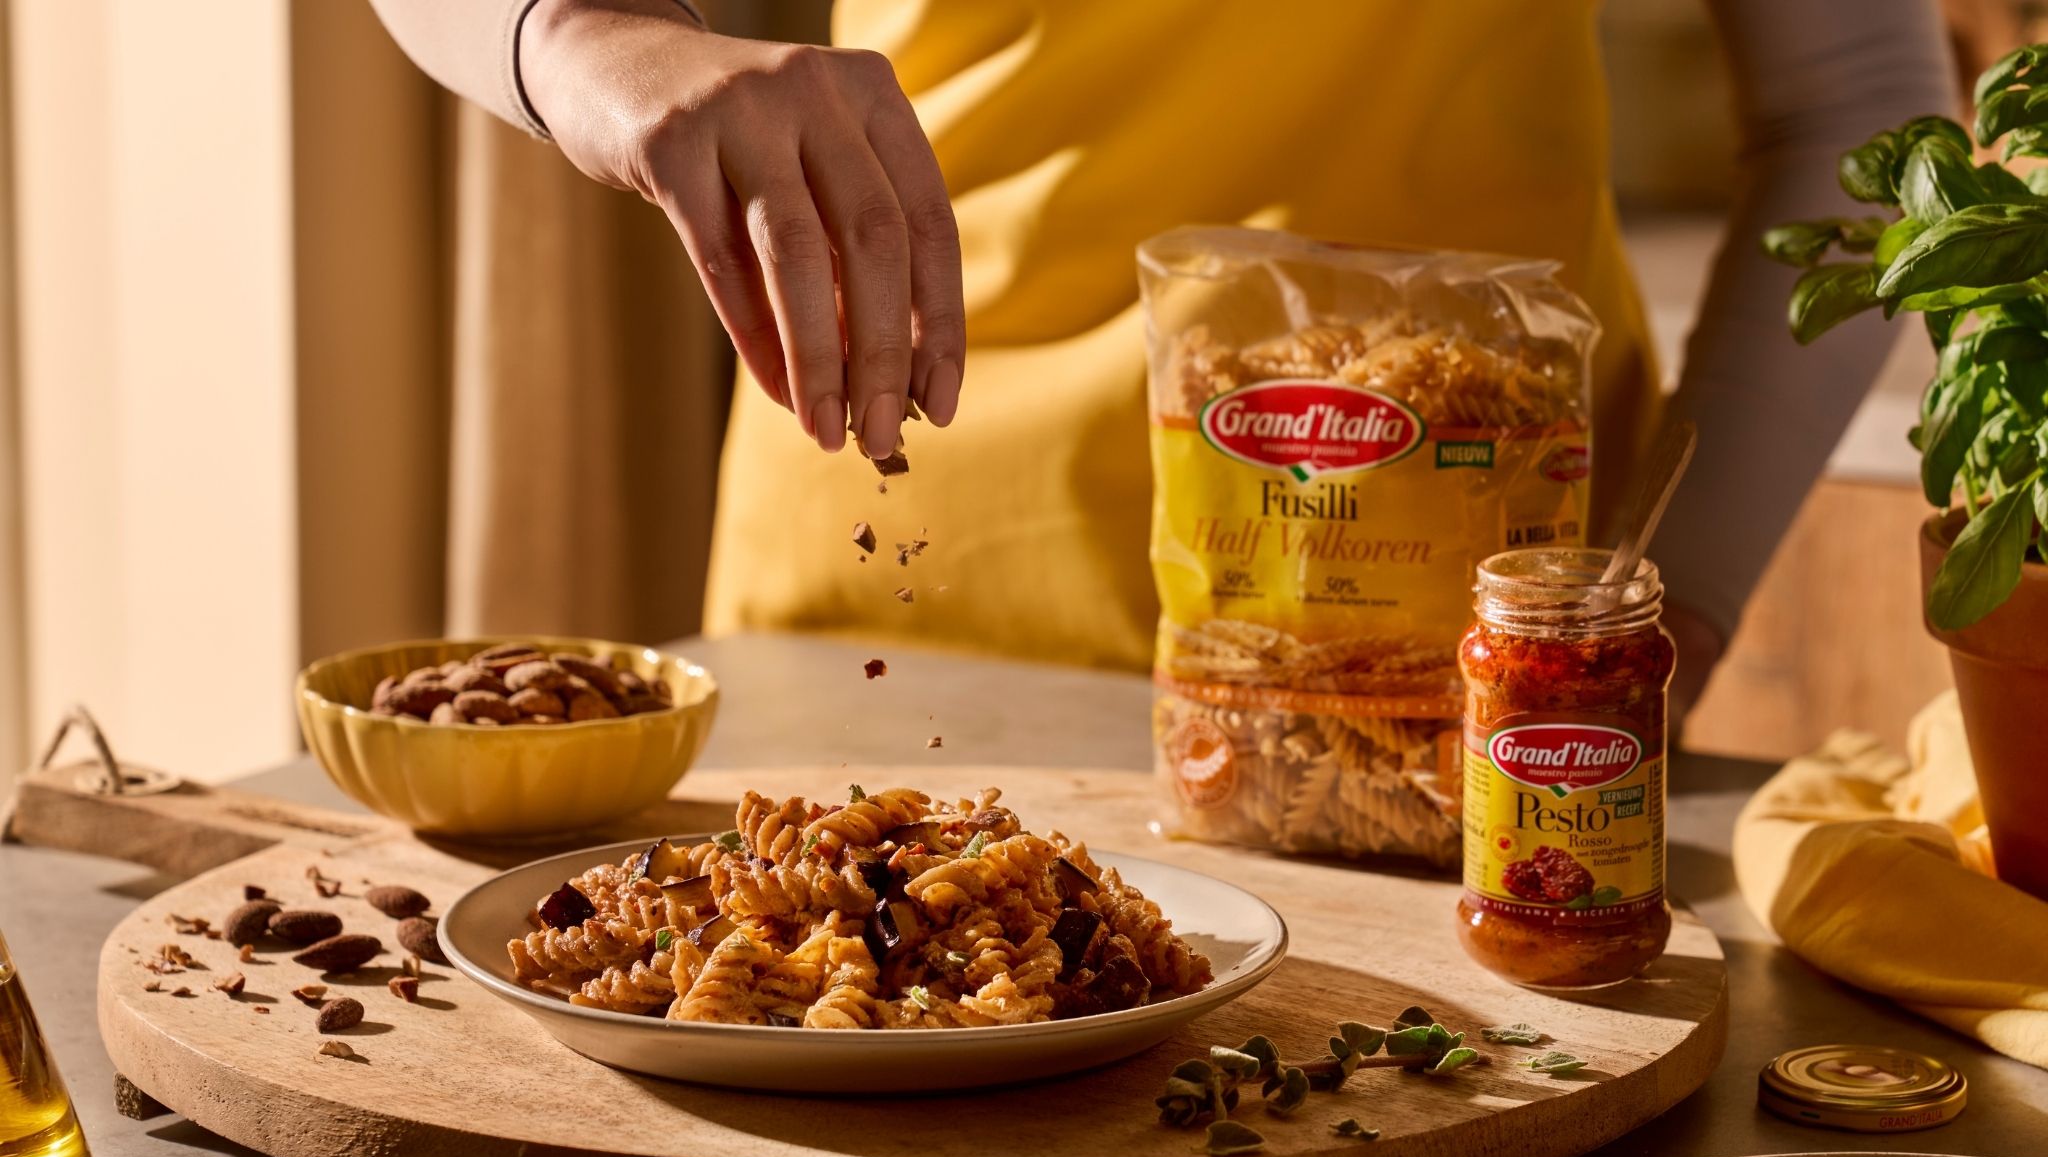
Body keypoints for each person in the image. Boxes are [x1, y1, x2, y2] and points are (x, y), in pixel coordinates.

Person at [369, 0, 1953, 715]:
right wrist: (580, 37)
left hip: (1436, 660)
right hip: (892, 592)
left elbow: (1860, 110)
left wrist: (1663, 617)